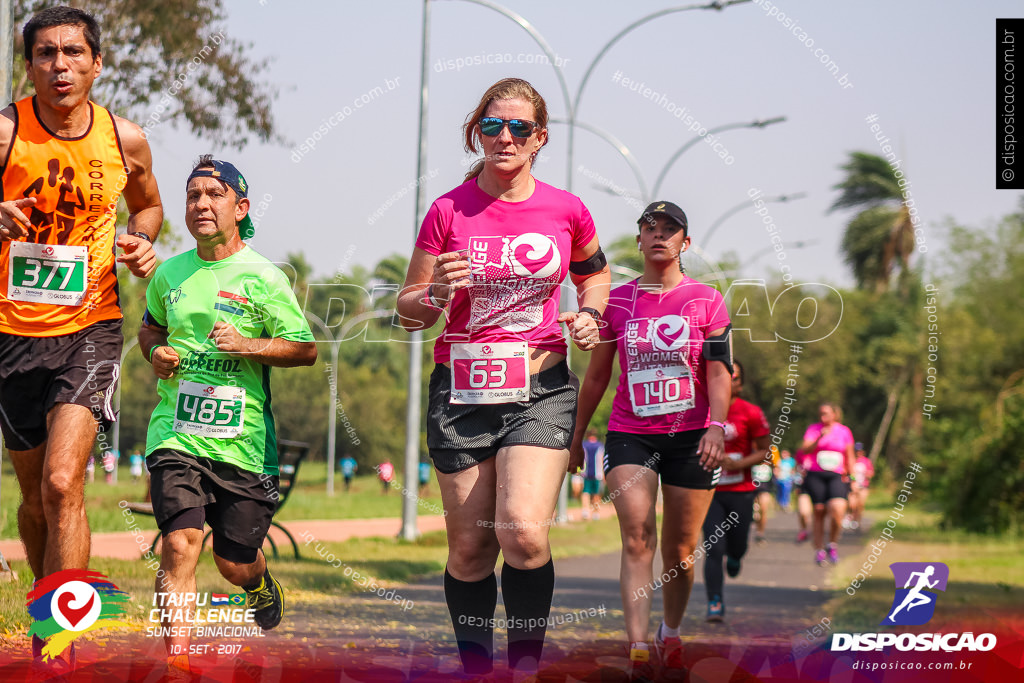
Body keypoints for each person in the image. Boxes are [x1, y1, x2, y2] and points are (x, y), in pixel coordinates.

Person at [397, 77, 610, 677]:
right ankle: (476, 669)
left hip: (539, 388)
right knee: (470, 549)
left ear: (540, 138)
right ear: (477, 133)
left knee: (521, 533)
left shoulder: (566, 210)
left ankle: (523, 667)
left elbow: (596, 274)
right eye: (492, 126)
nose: (505, 137)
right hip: (461, 390)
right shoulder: (447, 210)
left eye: (519, 128)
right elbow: (407, 310)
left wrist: (591, 314)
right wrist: (436, 292)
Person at [0, 8, 162, 671]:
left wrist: (142, 240)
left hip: (91, 326)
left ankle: (59, 642)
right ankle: (49, 608)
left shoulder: (126, 139)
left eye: (73, 53)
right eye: (45, 54)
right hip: (11, 332)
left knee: (65, 484)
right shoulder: (6, 132)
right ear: (29, 64)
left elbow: (149, 204)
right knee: (34, 498)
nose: (59, 65)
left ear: (97, 63)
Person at [139, 156, 316, 677]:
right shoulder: (169, 273)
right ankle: (179, 665)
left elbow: (303, 350)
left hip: (243, 443)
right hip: (177, 432)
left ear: (240, 208)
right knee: (179, 544)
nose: (200, 204)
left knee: (233, 562)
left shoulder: (263, 276)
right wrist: (155, 353)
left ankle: (259, 584)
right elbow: (151, 328)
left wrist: (247, 344)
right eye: (192, 195)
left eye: (213, 195)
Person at [571, 200, 730, 682]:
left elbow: (720, 371)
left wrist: (717, 426)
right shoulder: (617, 302)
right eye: (649, 227)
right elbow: (597, 377)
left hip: (693, 437)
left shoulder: (708, 299)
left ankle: (671, 632)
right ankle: (638, 647)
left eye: (669, 228)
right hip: (630, 434)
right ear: (638, 240)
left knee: (679, 550)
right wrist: (577, 435)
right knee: (637, 535)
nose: (658, 234)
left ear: (685, 241)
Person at [702, 359, 769, 622]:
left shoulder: (751, 412)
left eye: (736, 378)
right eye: (725, 375)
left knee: (737, 547)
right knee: (713, 547)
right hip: (710, 491)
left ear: (741, 384)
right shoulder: (702, 409)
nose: (730, 381)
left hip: (741, 490)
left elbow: (764, 450)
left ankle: (736, 557)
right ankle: (714, 602)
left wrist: (739, 463)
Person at [799, 403, 856, 565]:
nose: (822, 416)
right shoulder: (814, 429)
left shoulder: (844, 431)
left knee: (837, 509)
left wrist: (852, 479)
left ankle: (832, 543)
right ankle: (819, 550)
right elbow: (805, 449)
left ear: (835, 414)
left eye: (826, 413)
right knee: (819, 511)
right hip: (816, 474)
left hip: (837, 475)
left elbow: (850, 455)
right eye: (820, 413)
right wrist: (819, 438)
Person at [847, 442, 874, 531]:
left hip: (863, 486)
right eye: (856, 451)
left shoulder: (866, 461)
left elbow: (871, 473)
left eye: (860, 451)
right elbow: (848, 473)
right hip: (853, 486)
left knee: (860, 505)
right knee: (852, 505)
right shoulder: (851, 460)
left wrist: (866, 474)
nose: (858, 453)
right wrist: (852, 480)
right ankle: (850, 517)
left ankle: (857, 522)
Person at [579, 428, 605, 520]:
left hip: (586, 473)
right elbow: (602, 460)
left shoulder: (584, 444)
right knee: (596, 493)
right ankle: (595, 514)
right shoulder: (600, 445)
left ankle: (585, 511)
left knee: (585, 492)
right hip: (598, 473)